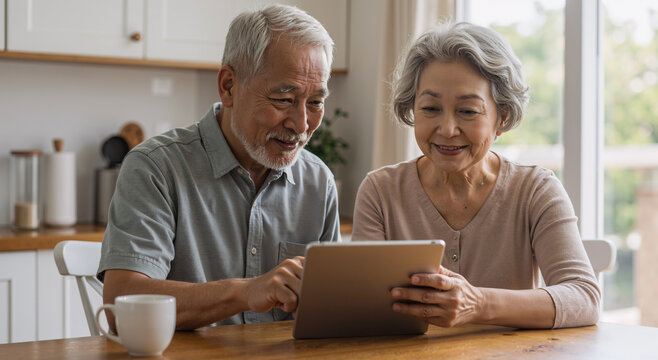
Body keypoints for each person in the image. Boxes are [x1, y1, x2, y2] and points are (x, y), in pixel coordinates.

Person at [97, 4, 340, 331]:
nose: (301, 124)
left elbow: (328, 309)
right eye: (284, 99)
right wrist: (246, 291)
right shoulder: (156, 168)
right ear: (228, 86)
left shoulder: (318, 181)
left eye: (316, 102)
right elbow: (121, 305)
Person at [352, 22, 600, 329]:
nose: (447, 129)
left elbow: (584, 298)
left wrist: (478, 303)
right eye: (430, 108)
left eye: (468, 111)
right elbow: (362, 307)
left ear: (502, 117)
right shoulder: (380, 191)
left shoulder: (536, 190)